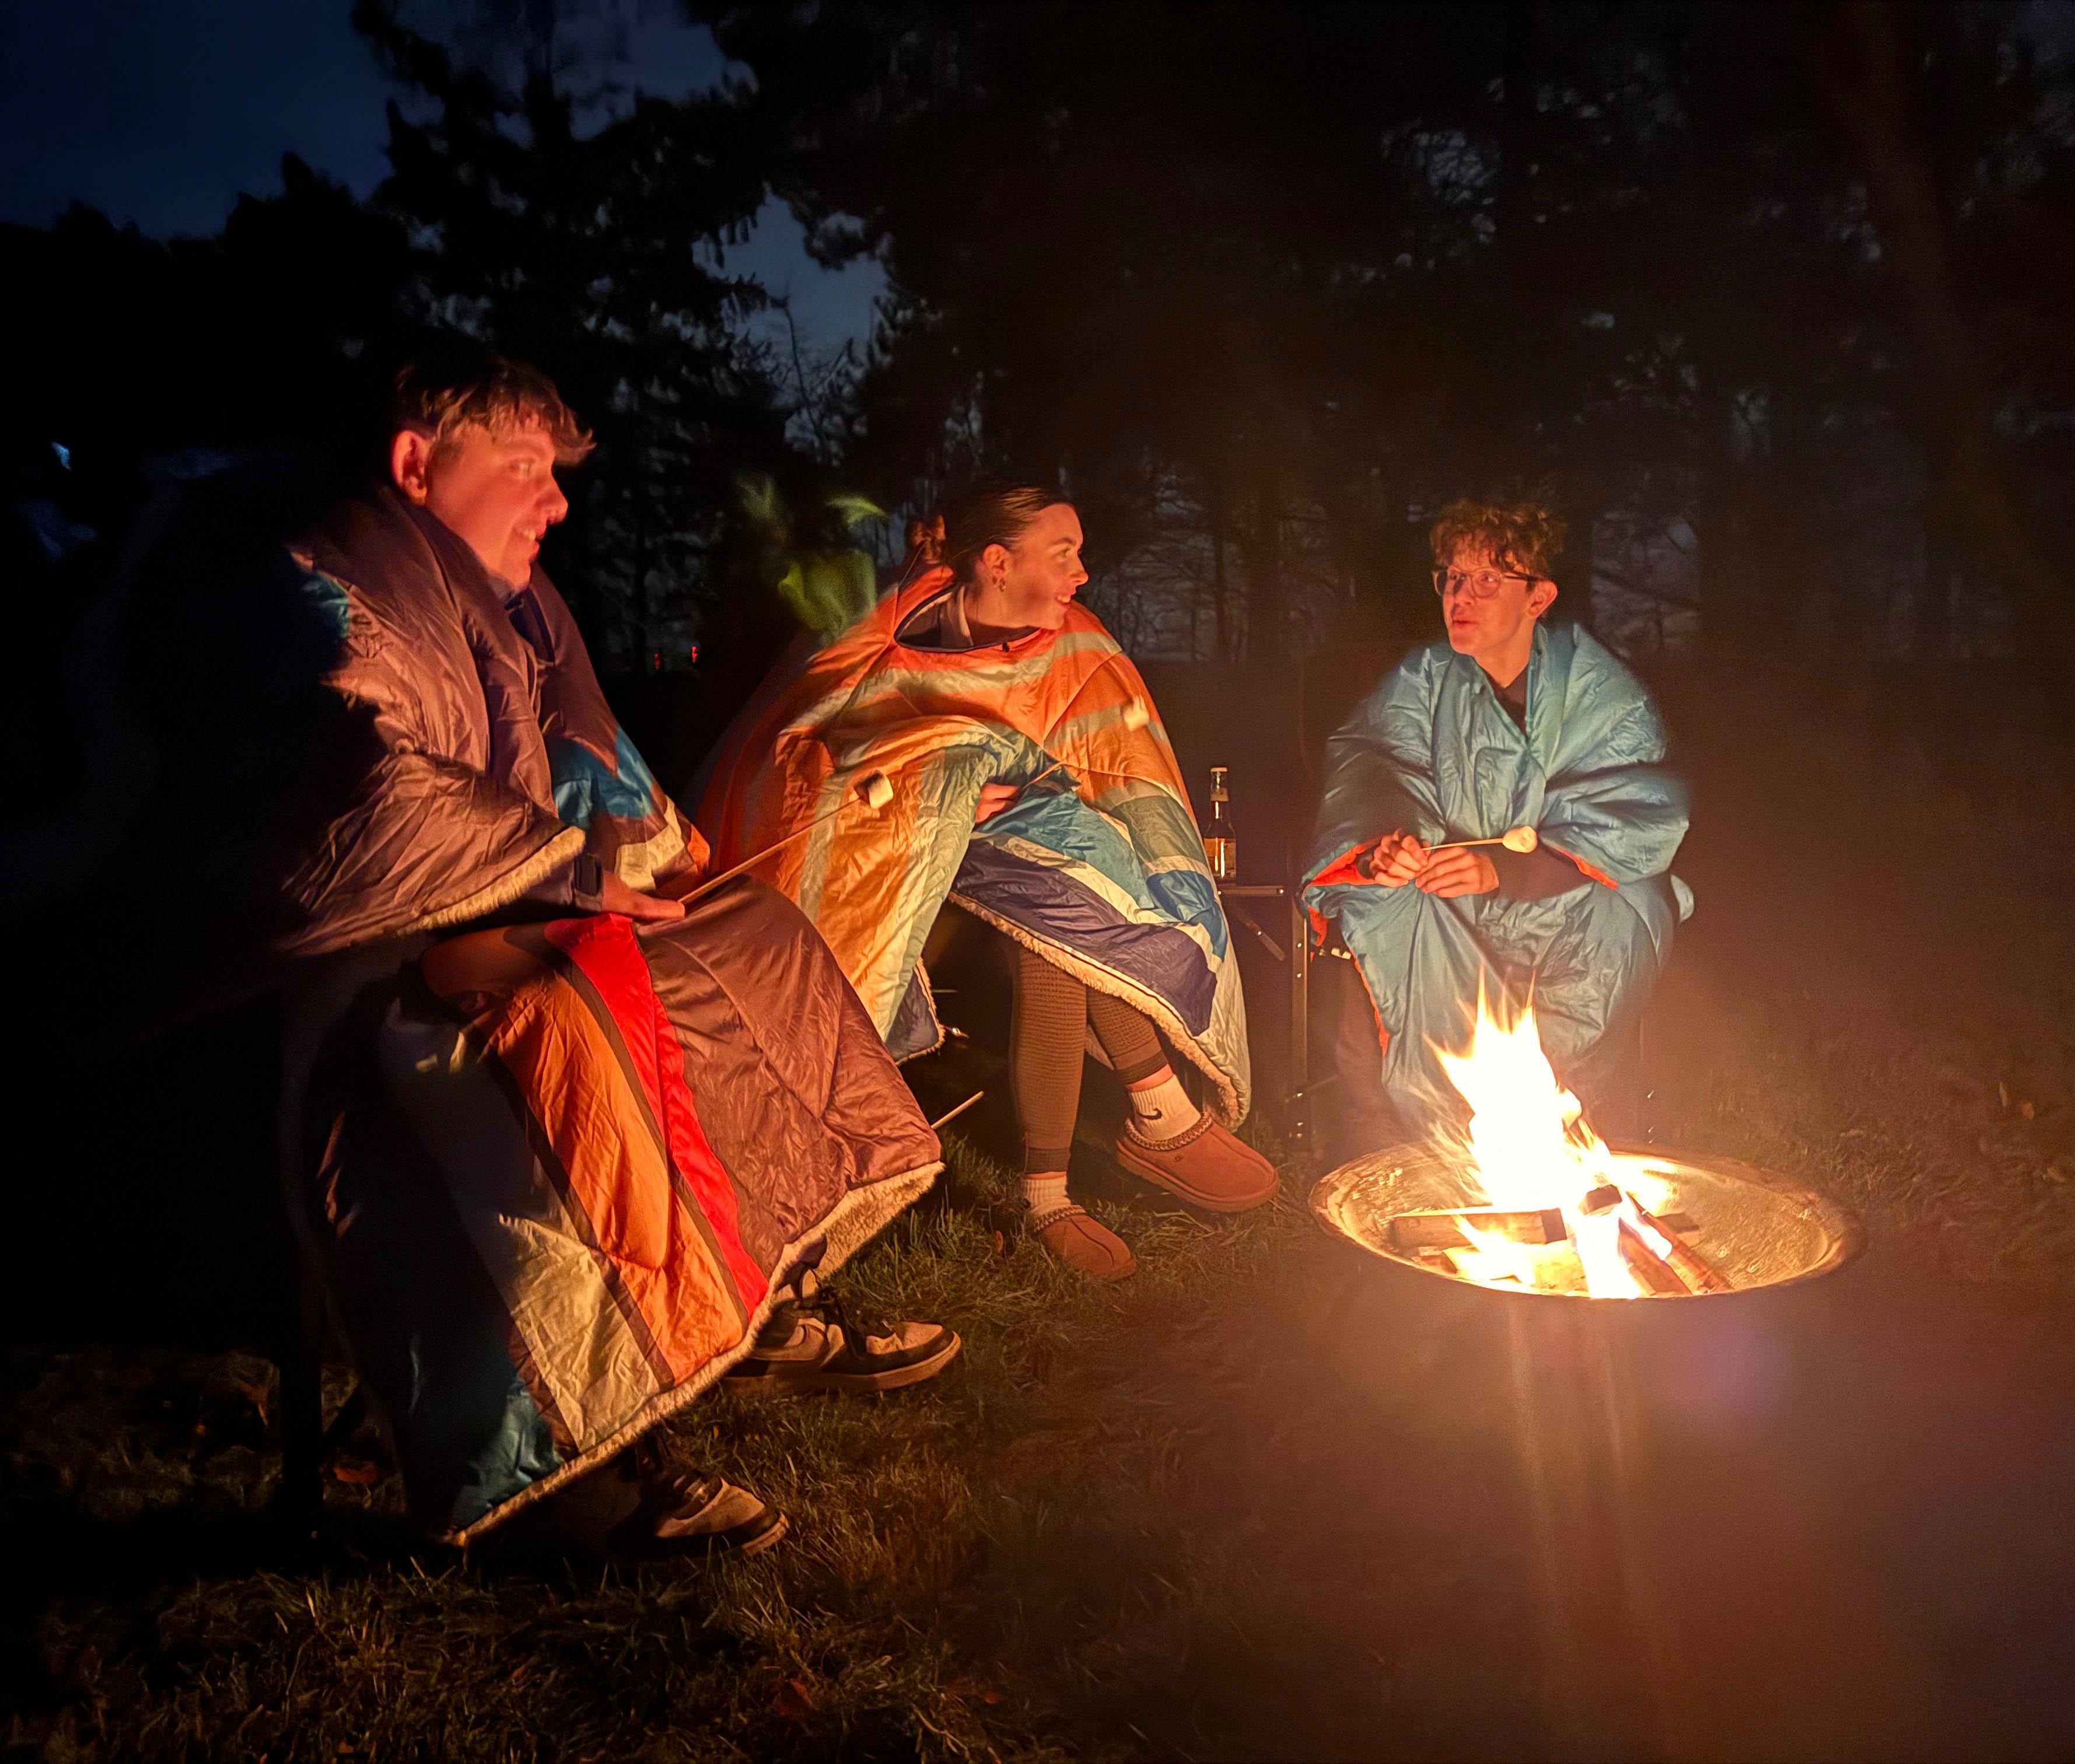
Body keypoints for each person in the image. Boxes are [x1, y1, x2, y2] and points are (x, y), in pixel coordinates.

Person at [249, 346, 959, 1558]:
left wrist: (666, 865)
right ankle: (576, 1463)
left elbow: (590, 757)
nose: (558, 500)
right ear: (418, 464)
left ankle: (750, 1297)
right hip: (364, 974)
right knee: (572, 1033)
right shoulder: (330, 586)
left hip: (502, 913)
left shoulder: (521, 609)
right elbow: (363, 804)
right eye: (525, 466)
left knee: (754, 944)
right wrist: (578, 876)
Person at [694, 483, 1278, 1279]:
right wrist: (944, 789)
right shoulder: (876, 634)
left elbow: (1108, 763)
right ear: (998, 562)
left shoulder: (1073, 642)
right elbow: (798, 760)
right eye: (1064, 553)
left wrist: (1022, 788)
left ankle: (1057, 1192)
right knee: (1049, 893)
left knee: (1059, 907)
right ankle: (1157, 1120)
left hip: (1014, 870)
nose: (1082, 574)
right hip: (899, 883)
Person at [1300, 499, 1691, 1152]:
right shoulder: (1423, 681)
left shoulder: (1604, 694)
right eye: (1451, 577)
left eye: (1487, 580)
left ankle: (1556, 1129)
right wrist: (1385, 848)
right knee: (1380, 902)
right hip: (1451, 904)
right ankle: (1403, 1150)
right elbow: (1373, 764)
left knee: (1637, 904)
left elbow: (1633, 810)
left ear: (1538, 597)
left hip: (1563, 905)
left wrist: (1503, 869)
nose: (1461, 596)